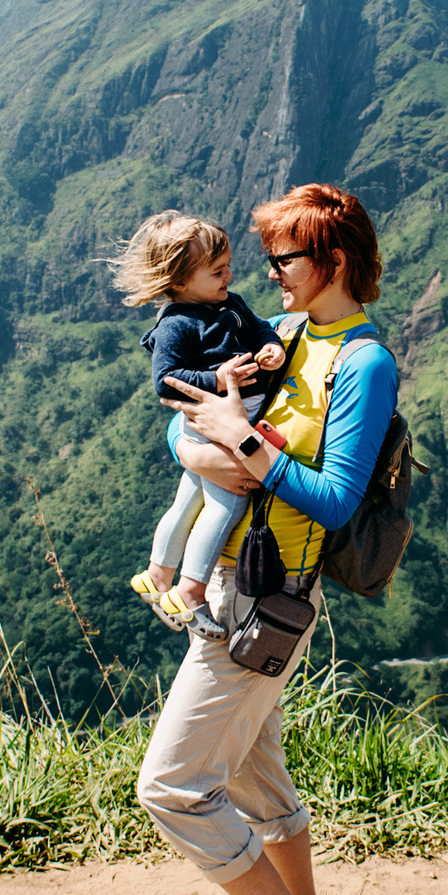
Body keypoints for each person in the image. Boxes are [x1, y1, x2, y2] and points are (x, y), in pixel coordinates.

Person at [138, 182, 399, 895]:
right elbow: (188, 428)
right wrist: (206, 432)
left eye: (283, 257)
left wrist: (238, 441)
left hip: (272, 595)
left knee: (172, 788)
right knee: (260, 784)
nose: (269, 272)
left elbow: (333, 500)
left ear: (329, 261)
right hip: (235, 581)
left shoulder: (363, 363)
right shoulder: (289, 335)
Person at [111, 211, 288, 638]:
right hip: (212, 422)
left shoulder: (230, 304)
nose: (230, 275)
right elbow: (165, 381)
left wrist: (271, 349)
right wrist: (218, 378)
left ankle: (156, 575)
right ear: (179, 281)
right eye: (217, 271)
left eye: (226, 266)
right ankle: (190, 592)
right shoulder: (176, 325)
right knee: (226, 506)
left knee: (188, 502)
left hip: (226, 419)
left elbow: (261, 328)